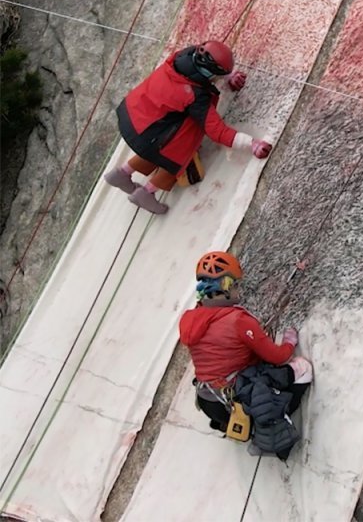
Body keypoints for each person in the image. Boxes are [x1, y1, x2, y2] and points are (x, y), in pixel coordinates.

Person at [102, 40, 273, 214]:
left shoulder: (183, 56)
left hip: (133, 113)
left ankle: (122, 173)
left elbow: (207, 65)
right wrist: (251, 143)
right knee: (176, 152)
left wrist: (229, 75)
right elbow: (216, 131)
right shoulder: (195, 97)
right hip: (146, 131)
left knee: (155, 144)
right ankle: (146, 193)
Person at [179, 251, 312, 460]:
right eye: (236, 285)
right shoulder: (238, 320)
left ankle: (245, 425)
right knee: (302, 369)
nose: (239, 289)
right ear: (226, 287)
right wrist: (289, 342)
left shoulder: (189, 319)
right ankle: (278, 417)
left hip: (210, 402)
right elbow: (278, 357)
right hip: (239, 400)